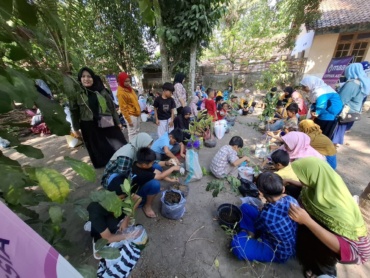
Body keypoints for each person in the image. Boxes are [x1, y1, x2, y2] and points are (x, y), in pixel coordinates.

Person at [288, 157, 370, 277]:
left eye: (301, 176)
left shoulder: (338, 209)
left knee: (318, 245)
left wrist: (307, 221)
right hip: (332, 230)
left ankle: (325, 271)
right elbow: (305, 186)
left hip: (351, 249)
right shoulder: (326, 183)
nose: (299, 179)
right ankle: (313, 262)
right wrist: (289, 180)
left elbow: (346, 248)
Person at [231, 172, 298, 263]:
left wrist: (263, 208)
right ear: (283, 189)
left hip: (276, 250)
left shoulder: (267, 215)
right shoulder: (291, 199)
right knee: (245, 207)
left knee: (237, 245)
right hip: (284, 239)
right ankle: (250, 234)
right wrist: (264, 207)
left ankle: (246, 233)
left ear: (260, 193)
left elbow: (259, 225)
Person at [69, 67, 126, 168]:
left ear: (93, 78)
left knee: (117, 142)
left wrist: (118, 122)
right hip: (88, 124)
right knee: (97, 147)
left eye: (89, 76)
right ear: (80, 79)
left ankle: (121, 160)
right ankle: (106, 167)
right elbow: (74, 112)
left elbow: (112, 108)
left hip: (105, 120)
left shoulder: (101, 91)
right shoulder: (77, 94)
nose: (86, 79)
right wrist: (76, 129)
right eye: (83, 76)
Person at [87, 182, 141, 276]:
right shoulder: (95, 210)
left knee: (120, 221)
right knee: (110, 231)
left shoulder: (121, 193)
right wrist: (128, 236)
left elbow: (138, 198)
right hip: (104, 230)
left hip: (113, 219)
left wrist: (126, 219)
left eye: (126, 197)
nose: (124, 199)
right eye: (122, 198)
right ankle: (97, 243)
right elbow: (107, 238)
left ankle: (117, 227)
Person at [131, 147, 181, 218]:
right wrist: (172, 168)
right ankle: (146, 206)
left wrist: (170, 179)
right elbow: (160, 176)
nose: (152, 164)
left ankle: (150, 191)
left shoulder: (138, 164)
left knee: (157, 167)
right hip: (136, 194)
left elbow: (157, 172)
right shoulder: (141, 174)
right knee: (155, 185)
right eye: (151, 163)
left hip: (139, 184)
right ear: (144, 165)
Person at [332, 63, 370, 146]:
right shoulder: (362, 83)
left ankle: (332, 149)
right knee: (341, 131)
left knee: (336, 132)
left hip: (345, 112)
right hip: (353, 111)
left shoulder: (352, 84)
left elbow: (342, 99)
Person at [117, 72, 141, 142]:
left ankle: (137, 145)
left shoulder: (129, 88)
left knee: (137, 131)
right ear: (121, 81)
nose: (127, 83)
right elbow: (123, 108)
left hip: (136, 112)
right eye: (125, 81)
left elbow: (135, 101)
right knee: (132, 133)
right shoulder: (121, 92)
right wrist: (129, 120)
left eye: (128, 81)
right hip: (130, 115)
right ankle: (133, 148)